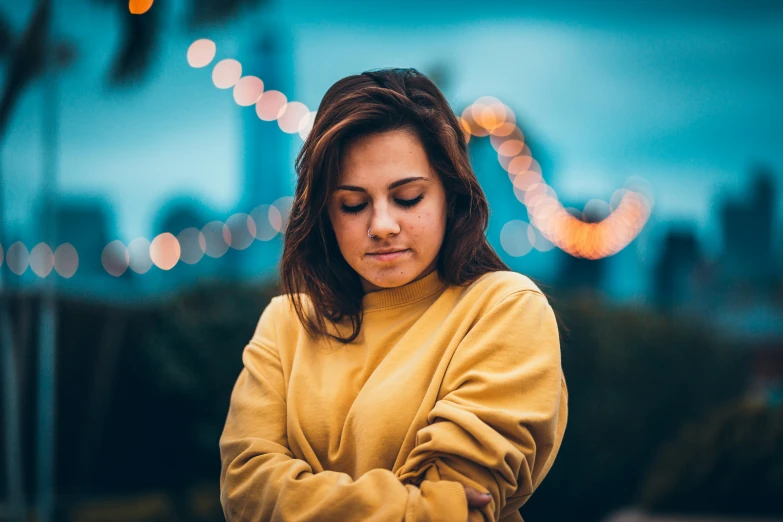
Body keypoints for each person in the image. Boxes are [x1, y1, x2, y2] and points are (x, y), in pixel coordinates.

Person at [219, 68, 568, 522]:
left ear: (450, 195)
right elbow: (246, 491)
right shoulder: (285, 323)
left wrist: (298, 496)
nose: (382, 225)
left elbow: (464, 501)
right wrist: (415, 508)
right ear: (325, 213)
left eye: (407, 198)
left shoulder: (504, 308)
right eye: (353, 204)